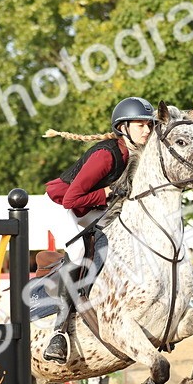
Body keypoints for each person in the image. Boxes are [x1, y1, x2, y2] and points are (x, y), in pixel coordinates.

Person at [38, 96, 156, 363]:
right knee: (79, 251)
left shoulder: (136, 154)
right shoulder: (106, 155)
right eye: (141, 125)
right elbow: (71, 200)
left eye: (149, 125)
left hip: (86, 207)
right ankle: (59, 332)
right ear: (123, 128)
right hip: (59, 205)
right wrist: (107, 191)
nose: (147, 130)